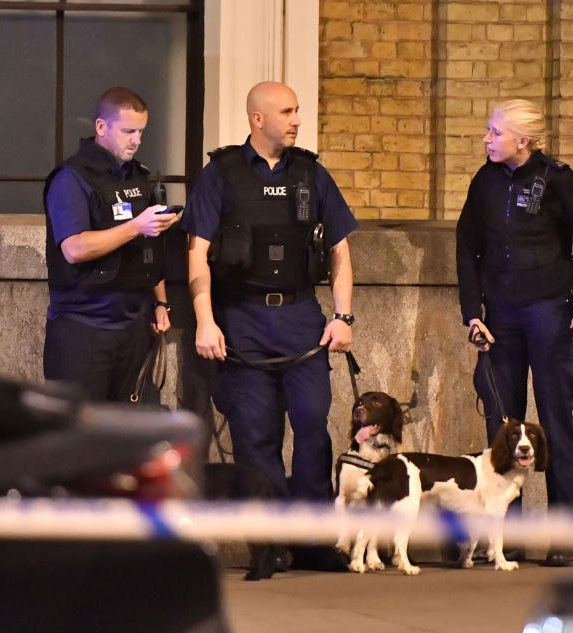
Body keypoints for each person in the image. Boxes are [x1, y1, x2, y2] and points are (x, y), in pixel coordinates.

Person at [180, 81, 357, 568]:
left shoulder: (311, 173)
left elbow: (340, 250)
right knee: (256, 436)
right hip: (243, 320)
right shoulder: (222, 174)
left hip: (302, 318)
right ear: (257, 119)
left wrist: (342, 317)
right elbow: (196, 252)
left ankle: (313, 542)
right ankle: (271, 544)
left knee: (312, 427)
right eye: (287, 111)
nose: (297, 119)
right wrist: (205, 322)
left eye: (297, 109)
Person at [455, 99, 573, 567]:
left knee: (555, 426)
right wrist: (473, 313)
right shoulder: (485, 180)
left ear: (522, 141)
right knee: (502, 427)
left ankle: (565, 535)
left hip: (552, 316)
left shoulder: (559, 180)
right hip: (500, 319)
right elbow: (466, 248)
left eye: (494, 132)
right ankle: (507, 536)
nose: (486, 139)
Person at [43, 86, 181, 402]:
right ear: (102, 127)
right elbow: (74, 249)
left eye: (141, 132)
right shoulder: (71, 178)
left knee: (130, 434)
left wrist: (160, 303)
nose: (136, 140)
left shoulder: (138, 176)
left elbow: (151, 248)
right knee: (81, 436)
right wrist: (135, 226)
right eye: (128, 131)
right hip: (84, 328)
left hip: (134, 326)